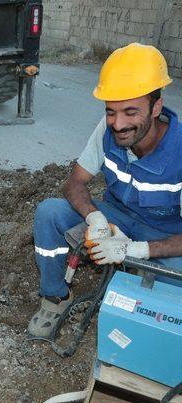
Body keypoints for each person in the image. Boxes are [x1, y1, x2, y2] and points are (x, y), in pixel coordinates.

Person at [28, 42, 182, 338]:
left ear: (156, 108)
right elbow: (74, 182)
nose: (118, 124)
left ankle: (151, 317)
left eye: (130, 112)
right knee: (49, 212)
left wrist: (139, 250)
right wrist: (94, 219)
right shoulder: (107, 130)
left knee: (176, 280)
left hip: (165, 235)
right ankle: (55, 297)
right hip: (115, 216)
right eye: (111, 111)